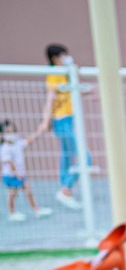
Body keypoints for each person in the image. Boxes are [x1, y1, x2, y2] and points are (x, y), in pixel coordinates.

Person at [36, 44, 87, 210]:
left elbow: (71, 91)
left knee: (67, 155)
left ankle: (66, 189)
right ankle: (65, 189)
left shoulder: (65, 74)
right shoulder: (54, 74)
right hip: (61, 119)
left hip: (69, 118)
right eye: (63, 56)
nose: (66, 58)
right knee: (84, 157)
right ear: (55, 58)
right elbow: (50, 97)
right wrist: (45, 120)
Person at [1, 121, 52, 221]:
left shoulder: (18, 143)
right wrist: (16, 173)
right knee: (13, 193)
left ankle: (36, 210)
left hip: (20, 173)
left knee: (28, 191)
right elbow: (8, 162)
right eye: (7, 132)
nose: (11, 134)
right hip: (11, 175)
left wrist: (40, 130)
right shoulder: (5, 148)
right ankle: (12, 213)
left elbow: (29, 140)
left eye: (12, 131)